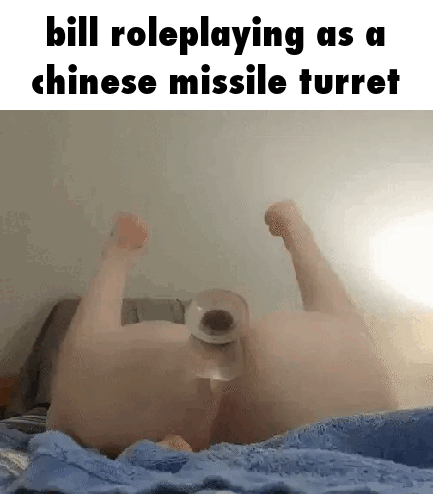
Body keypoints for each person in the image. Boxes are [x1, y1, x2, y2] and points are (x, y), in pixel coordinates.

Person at [47, 201, 396, 458]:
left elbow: (71, 396)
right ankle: (298, 235)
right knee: (348, 330)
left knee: (78, 375)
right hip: (331, 393)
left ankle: (116, 257)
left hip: (176, 405)